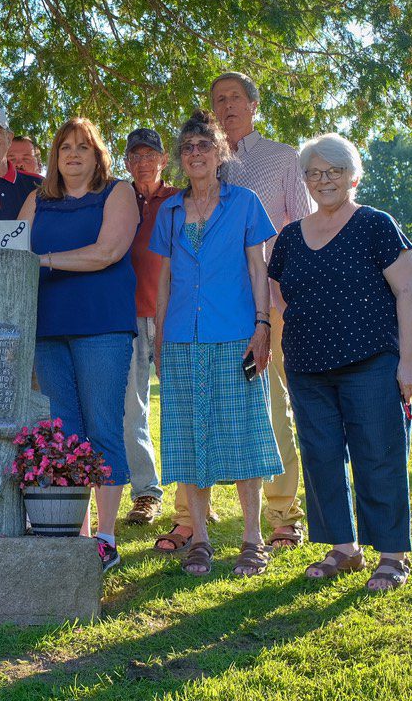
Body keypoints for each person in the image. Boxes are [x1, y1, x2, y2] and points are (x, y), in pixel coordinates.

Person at [267, 133, 412, 592]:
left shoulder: (376, 224)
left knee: (379, 453)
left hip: (371, 360)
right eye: (314, 173)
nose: (323, 180)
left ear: (353, 175)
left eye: (333, 171)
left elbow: (409, 292)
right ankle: (344, 547)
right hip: (307, 366)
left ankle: (393, 554)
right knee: (321, 457)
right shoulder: (291, 236)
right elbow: (276, 290)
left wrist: (408, 362)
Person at [150, 110, 282, 577]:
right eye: (187, 147)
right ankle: (200, 539)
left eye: (204, 145)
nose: (195, 153)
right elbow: (163, 279)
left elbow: (258, 268)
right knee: (190, 436)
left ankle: (252, 538)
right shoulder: (168, 212)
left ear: (220, 153)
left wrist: (262, 325)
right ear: (180, 159)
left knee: (245, 431)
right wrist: (160, 339)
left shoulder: (244, 203)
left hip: (237, 335)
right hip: (183, 337)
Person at [18, 118, 139, 572]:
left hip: (101, 325)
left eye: (82, 148)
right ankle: (74, 532)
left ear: (96, 156)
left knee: (102, 425)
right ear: (55, 156)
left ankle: (106, 537)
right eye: (64, 147)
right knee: (64, 432)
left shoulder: (117, 192)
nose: (72, 154)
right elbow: (14, 252)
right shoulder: (37, 199)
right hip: (47, 328)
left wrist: (42, 261)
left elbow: (107, 251)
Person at [206, 70, 313, 549]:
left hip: (274, 301)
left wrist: (297, 295)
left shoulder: (282, 159)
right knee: (206, 406)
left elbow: (303, 230)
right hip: (214, 308)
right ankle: (191, 516)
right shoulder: (203, 162)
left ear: (253, 105)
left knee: (272, 408)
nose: (226, 106)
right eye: (218, 100)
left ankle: (283, 516)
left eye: (234, 98)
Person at [115, 128, 178, 528]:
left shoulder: (178, 199)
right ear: (126, 163)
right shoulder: (117, 199)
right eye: (135, 157)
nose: (142, 163)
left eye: (150, 155)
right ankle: (146, 493)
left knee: (183, 405)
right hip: (127, 316)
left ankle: (193, 497)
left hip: (173, 313)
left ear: (163, 160)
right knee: (131, 410)